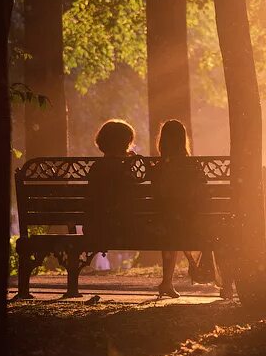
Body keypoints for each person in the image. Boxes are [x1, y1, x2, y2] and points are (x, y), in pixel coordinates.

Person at [149, 119, 208, 298]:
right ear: (183, 140)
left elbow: (156, 197)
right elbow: (204, 194)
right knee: (179, 222)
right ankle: (225, 284)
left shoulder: (158, 168)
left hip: (164, 225)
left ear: (162, 141)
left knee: (171, 225)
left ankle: (167, 281)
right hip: (191, 224)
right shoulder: (193, 165)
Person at [86, 119, 138, 246]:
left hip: (96, 229)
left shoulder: (96, 168)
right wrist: (130, 164)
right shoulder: (126, 172)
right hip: (126, 229)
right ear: (125, 145)